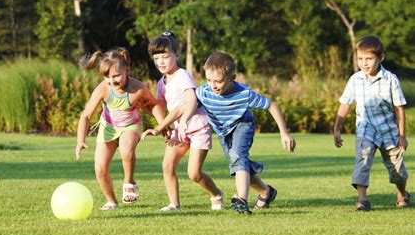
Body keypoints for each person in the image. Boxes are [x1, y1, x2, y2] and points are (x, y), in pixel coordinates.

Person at [186, 52, 296, 214]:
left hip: (243, 124)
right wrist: (180, 122)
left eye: (218, 81)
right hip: (223, 132)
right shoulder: (204, 92)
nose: (213, 85)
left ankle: (241, 200)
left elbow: (271, 105)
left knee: (237, 156)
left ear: (232, 77)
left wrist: (284, 133)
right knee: (239, 163)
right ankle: (266, 192)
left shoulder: (244, 93)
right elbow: (189, 104)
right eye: (209, 80)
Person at [141, 31, 223, 211]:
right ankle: (174, 204)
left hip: (197, 126)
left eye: (165, 56)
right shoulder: (162, 82)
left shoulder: (182, 75)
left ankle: (216, 193)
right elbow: (159, 106)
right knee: (167, 165)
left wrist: (184, 120)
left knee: (193, 174)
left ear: (176, 56)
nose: (160, 62)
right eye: (156, 58)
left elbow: (191, 101)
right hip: (179, 130)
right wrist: (158, 123)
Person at [76, 47, 165, 210]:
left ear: (127, 70)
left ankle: (129, 182)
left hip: (131, 126)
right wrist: (80, 140)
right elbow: (86, 116)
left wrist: (163, 125)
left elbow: (153, 106)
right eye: (107, 77)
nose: (112, 81)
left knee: (126, 150)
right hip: (108, 128)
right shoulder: (103, 89)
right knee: (100, 169)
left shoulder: (137, 88)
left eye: (116, 75)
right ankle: (111, 201)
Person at [333, 35, 410, 211]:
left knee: (397, 170)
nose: (364, 63)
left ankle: (402, 194)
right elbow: (345, 105)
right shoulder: (355, 80)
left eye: (369, 59)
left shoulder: (391, 79)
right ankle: (362, 200)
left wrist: (402, 135)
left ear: (380, 57)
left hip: (389, 131)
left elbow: (399, 109)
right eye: (360, 59)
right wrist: (337, 129)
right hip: (365, 129)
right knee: (363, 160)